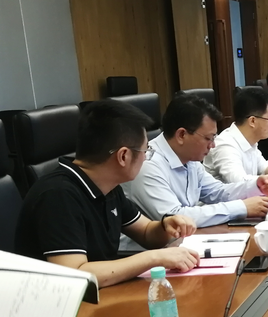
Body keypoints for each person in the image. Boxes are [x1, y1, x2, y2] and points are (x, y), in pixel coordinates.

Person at [14, 100, 199, 288]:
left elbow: (145, 232)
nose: (146, 157)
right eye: (145, 151)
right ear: (123, 156)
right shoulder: (58, 195)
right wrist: (154, 258)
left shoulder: (108, 185)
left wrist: (165, 225)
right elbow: (75, 274)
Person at [128, 94, 268, 228]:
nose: (213, 145)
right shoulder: (148, 165)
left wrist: (255, 185)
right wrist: (242, 207)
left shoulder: (190, 158)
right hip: (153, 248)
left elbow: (217, 192)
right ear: (182, 135)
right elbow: (176, 217)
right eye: (208, 138)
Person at [204, 88, 268, 185]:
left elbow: (264, 167)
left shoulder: (250, 141)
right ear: (252, 121)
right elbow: (239, 182)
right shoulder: (225, 145)